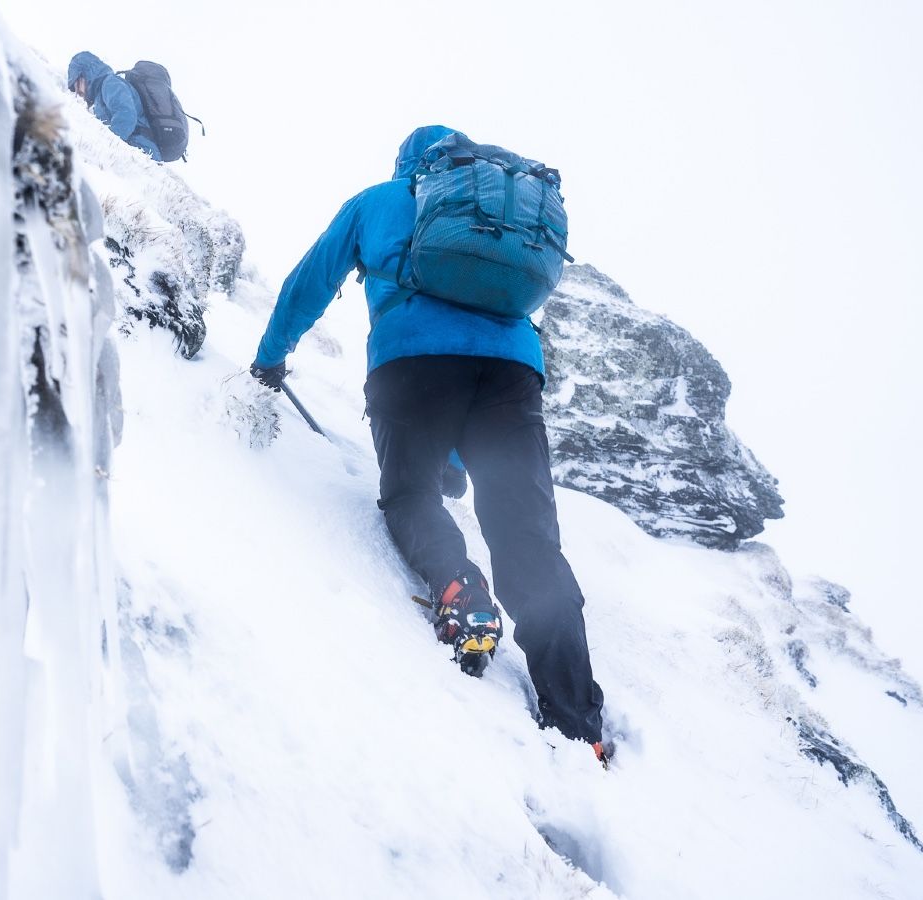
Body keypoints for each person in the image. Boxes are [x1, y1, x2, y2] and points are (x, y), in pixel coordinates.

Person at [249, 125, 607, 760]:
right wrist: (465, 453)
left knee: (411, 495)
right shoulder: (500, 223)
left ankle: (461, 594)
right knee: (527, 539)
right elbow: (478, 343)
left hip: (409, 366)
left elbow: (311, 281)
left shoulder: (381, 200)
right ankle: (579, 722)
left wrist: (269, 360)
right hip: (510, 373)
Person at [67, 51, 161, 161]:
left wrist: (106, 146)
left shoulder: (110, 83)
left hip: (144, 150)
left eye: (76, 84)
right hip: (138, 151)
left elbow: (126, 115)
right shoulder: (99, 97)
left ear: (85, 75)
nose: (77, 92)